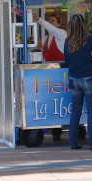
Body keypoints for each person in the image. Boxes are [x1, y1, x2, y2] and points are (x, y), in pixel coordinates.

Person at [64, 14, 92, 150]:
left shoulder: (68, 41)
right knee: (91, 111)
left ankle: (73, 142)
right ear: (84, 26)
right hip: (88, 77)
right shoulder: (88, 39)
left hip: (73, 79)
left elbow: (67, 61)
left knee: (75, 111)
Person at [34, 12, 69, 141]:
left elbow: (52, 29)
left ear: (59, 24)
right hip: (49, 75)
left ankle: (79, 129)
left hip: (62, 72)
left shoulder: (62, 34)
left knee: (65, 101)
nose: (50, 23)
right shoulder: (44, 39)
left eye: (53, 21)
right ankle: (56, 131)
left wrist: (40, 20)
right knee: (53, 103)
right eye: (50, 21)